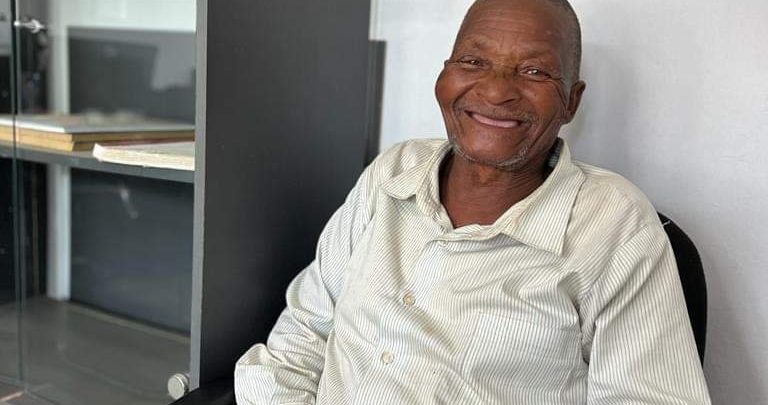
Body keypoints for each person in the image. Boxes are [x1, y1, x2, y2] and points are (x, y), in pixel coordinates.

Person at [234, 0, 712, 403]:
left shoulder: (615, 226)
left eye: (534, 71)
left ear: (571, 100)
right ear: (444, 74)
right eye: (473, 61)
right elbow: (303, 335)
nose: (497, 90)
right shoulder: (394, 171)